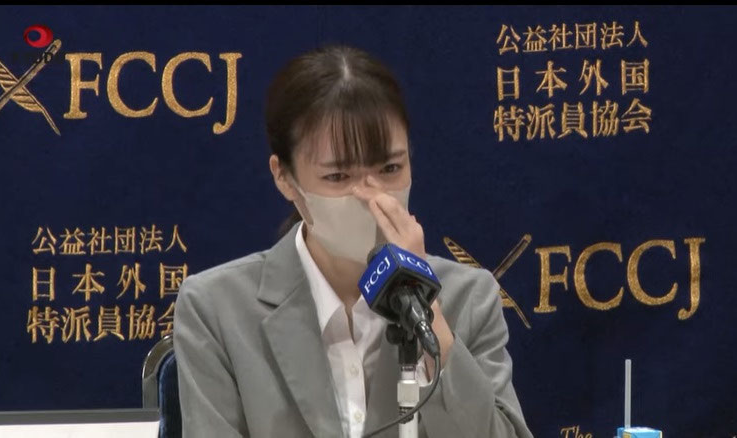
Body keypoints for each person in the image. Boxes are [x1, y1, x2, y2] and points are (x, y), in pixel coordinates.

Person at [173, 44, 532, 438]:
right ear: (284, 177)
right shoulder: (217, 309)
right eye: (338, 177)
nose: (369, 195)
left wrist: (428, 314)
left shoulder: (468, 298)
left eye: (390, 168)